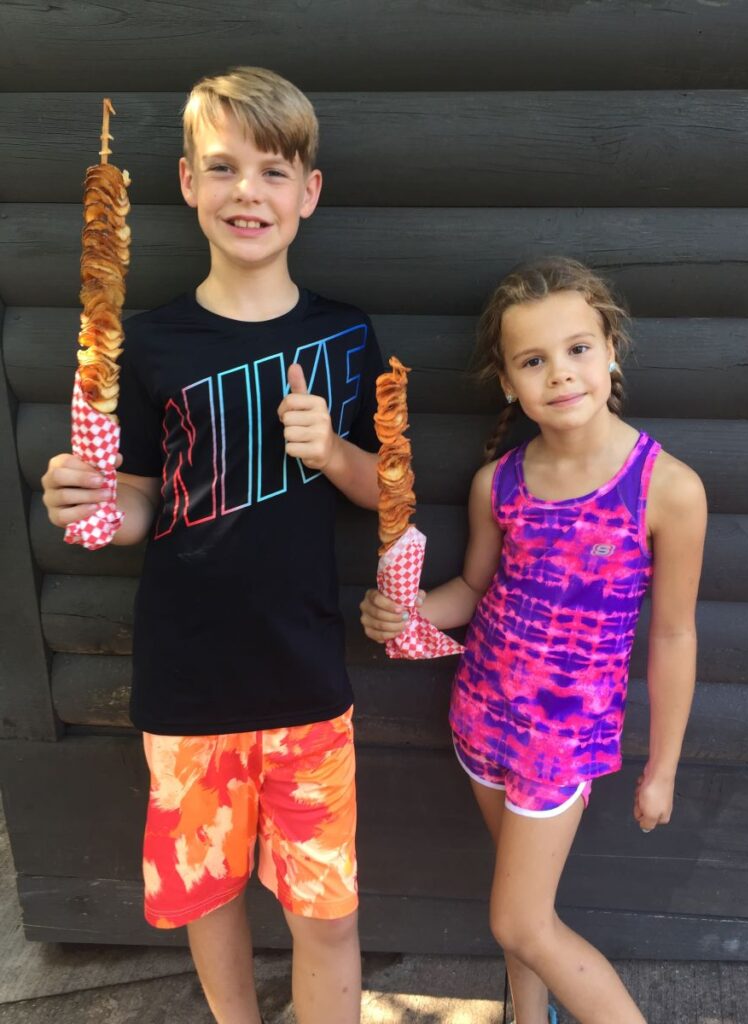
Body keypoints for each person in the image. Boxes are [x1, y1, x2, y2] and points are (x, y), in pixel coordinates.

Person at [41, 67, 384, 1024]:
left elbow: (381, 491)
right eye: (224, 168)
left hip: (307, 674)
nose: (248, 192)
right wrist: (91, 500)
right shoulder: (150, 343)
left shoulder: (343, 335)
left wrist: (335, 451)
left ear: (308, 195)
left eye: (274, 172)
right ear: (187, 183)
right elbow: (145, 501)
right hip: (188, 680)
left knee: (325, 910)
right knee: (209, 893)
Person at [360, 258, 707, 1024]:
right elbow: (474, 593)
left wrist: (665, 767)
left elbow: (675, 634)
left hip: (565, 742)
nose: (561, 374)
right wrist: (408, 609)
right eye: (534, 360)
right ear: (509, 380)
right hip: (482, 715)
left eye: (578, 348)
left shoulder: (666, 489)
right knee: (519, 901)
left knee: (518, 919)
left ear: (612, 348)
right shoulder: (501, 484)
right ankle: (528, 1014)